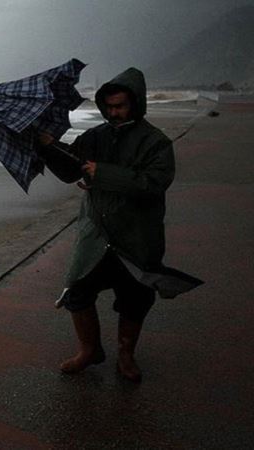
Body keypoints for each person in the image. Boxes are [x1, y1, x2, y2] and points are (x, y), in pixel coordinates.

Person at [37, 67, 175, 383]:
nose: (113, 113)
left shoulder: (156, 142)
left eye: (120, 106)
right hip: (95, 234)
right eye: (109, 106)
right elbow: (71, 169)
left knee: (135, 299)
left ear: (136, 104)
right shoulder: (95, 136)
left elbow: (153, 183)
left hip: (136, 235)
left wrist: (104, 174)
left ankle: (126, 354)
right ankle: (90, 350)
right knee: (77, 291)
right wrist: (47, 146)